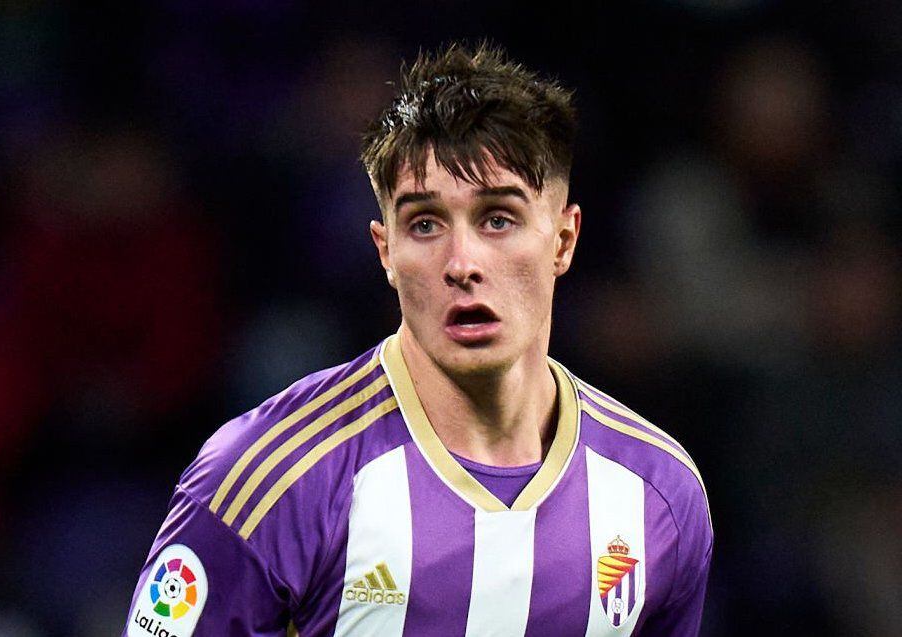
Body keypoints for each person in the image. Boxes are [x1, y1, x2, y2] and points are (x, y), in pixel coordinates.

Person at [123, 42, 712, 637]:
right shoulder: (267, 479)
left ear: (563, 240)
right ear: (386, 251)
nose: (462, 262)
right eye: (424, 224)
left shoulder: (658, 496)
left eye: (498, 219)